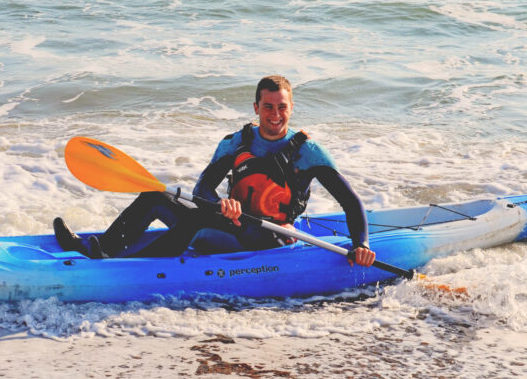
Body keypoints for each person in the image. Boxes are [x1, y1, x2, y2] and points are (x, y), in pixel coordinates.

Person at [54, 75, 376, 268]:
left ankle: (119, 268)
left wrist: (360, 243)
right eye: (268, 107)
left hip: (271, 238)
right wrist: (221, 203)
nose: (275, 115)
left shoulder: (308, 151)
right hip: (228, 224)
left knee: (195, 221)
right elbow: (203, 189)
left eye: (282, 107)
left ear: (291, 108)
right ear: (256, 108)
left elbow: (350, 201)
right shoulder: (237, 143)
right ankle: (97, 248)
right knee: (154, 195)